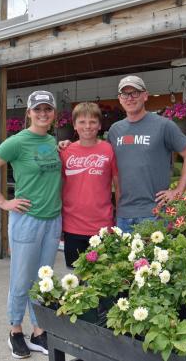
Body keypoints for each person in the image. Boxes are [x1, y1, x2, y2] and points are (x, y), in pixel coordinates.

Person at [0, 91, 62, 358]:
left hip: (52, 220)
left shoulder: (51, 140)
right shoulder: (17, 142)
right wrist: (2, 202)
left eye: (48, 109)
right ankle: (15, 331)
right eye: (38, 109)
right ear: (29, 112)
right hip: (27, 220)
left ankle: (38, 331)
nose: (43, 113)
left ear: (54, 113)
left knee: (43, 280)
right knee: (21, 279)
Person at [108, 75, 186, 233]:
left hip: (154, 213)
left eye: (135, 93)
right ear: (120, 99)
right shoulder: (115, 130)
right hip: (123, 214)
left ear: (145, 95)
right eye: (125, 94)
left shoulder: (164, 125)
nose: (130, 98)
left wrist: (178, 191)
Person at [60, 102, 118, 267]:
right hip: (72, 226)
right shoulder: (65, 151)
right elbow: (58, 186)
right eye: (82, 122)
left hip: (102, 226)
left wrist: (118, 216)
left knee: (102, 280)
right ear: (74, 125)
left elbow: (118, 186)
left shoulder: (109, 150)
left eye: (92, 122)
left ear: (99, 125)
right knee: (75, 277)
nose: (87, 126)